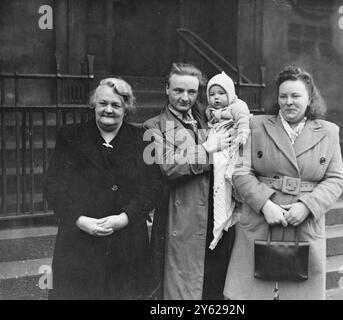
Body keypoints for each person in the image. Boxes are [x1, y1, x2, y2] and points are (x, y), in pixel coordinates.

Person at [223, 66, 343, 300]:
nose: (288, 102)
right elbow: (241, 172)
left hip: (303, 223)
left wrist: (307, 206)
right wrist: (265, 204)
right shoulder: (255, 125)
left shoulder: (329, 132)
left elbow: (336, 179)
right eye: (283, 96)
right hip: (261, 221)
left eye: (296, 96)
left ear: (310, 99)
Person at [44, 78, 154, 300]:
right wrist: (78, 219)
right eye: (103, 103)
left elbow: (152, 187)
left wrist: (124, 218)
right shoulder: (71, 135)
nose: (109, 110)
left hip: (127, 239)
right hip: (79, 239)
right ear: (94, 104)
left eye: (116, 105)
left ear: (127, 108)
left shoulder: (142, 138)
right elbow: (54, 184)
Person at [143, 63, 236, 300]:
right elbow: (168, 166)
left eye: (192, 92)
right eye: (178, 90)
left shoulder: (208, 119)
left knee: (213, 286)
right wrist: (207, 148)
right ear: (166, 89)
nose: (185, 98)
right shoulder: (153, 126)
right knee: (183, 289)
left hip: (216, 215)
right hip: (182, 219)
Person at [204, 71, 251, 250]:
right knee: (221, 184)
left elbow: (243, 121)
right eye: (212, 94)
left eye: (221, 93)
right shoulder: (211, 111)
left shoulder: (237, 106)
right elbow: (211, 118)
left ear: (230, 94)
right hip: (219, 147)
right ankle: (222, 221)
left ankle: (230, 214)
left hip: (235, 145)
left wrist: (242, 135)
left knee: (231, 179)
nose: (216, 97)